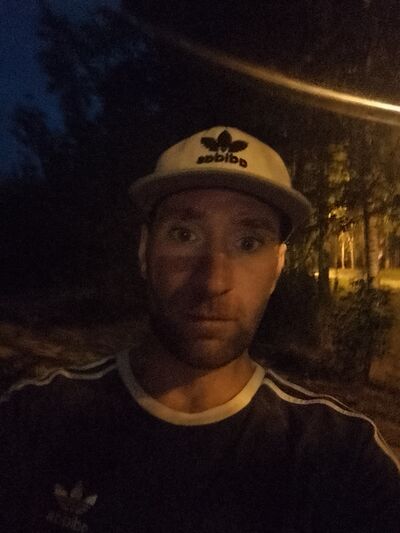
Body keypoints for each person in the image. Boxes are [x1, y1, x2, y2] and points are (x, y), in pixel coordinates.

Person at [0, 126, 399, 532]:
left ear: (277, 268)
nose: (212, 281)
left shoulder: (344, 462)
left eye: (248, 243)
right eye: (184, 235)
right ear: (145, 251)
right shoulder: (33, 421)